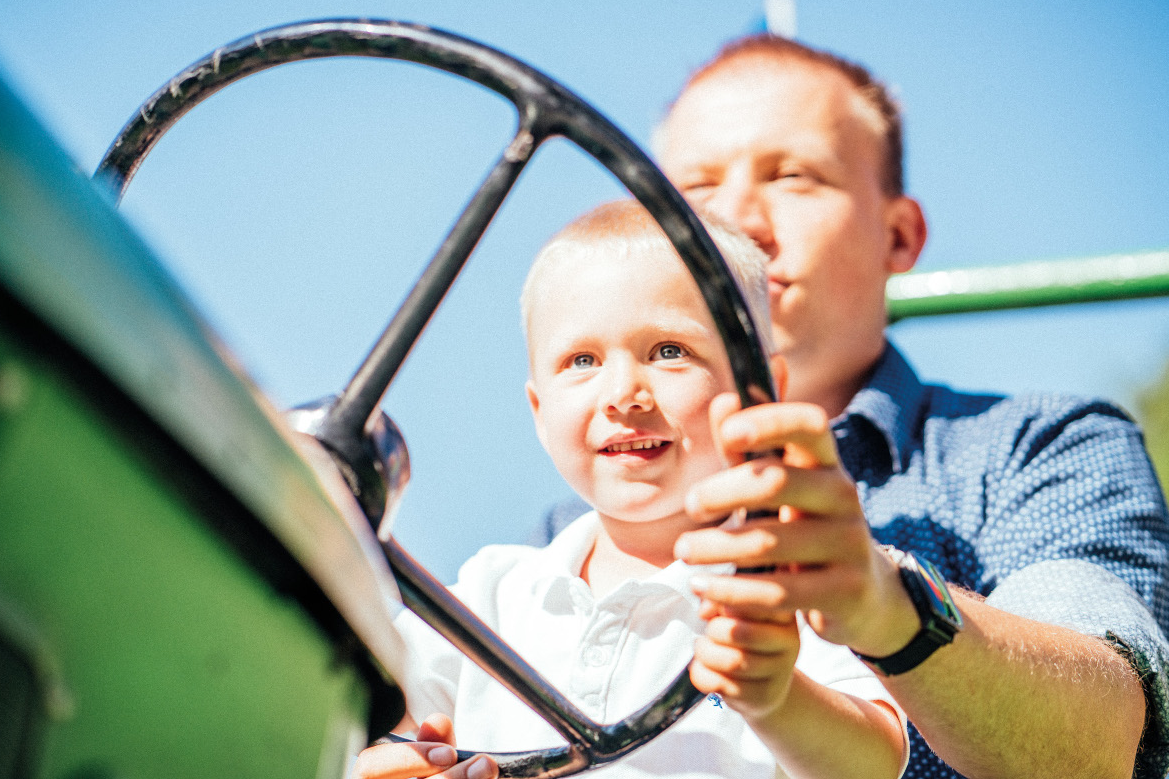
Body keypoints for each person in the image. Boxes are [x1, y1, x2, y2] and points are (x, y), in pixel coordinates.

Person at [535, 35, 1169, 779]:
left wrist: (883, 603)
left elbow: (1094, 749)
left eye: (794, 177)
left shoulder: (1037, 448)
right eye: (695, 191)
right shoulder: (571, 538)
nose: (737, 223)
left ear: (899, 235)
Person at [355, 200, 911, 779]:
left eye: (669, 352)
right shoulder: (487, 599)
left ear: (763, 390)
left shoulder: (794, 582)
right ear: (540, 412)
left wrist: (778, 698)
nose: (623, 392)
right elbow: (354, 723)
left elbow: (874, 762)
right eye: (582, 360)